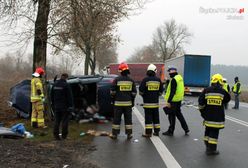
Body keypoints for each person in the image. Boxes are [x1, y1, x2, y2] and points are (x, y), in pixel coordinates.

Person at [198, 74, 230, 155]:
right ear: (219, 81)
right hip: (217, 117)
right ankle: (211, 150)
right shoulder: (222, 91)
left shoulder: (206, 90)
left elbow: (200, 102)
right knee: (214, 132)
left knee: (208, 130)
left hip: (207, 116)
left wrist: (203, 113)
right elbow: (227, 99)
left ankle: (207, 144)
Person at [110, 62, 137, 140]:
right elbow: (134, 93)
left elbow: (112, 92)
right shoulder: (131, 80)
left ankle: (115, 134)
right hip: (128, 104)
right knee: (128, 119)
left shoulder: (116, 80)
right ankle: (129, 134)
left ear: (120, 71)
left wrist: (113, 99)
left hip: (118, 104)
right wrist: (132, 102)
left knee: (116, 119)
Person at [163, 66, 189, 136]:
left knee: (171, 116)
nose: (169, 73)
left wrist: (168, 101)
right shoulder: (180, 78)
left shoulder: (174, 79)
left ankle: (170, 131)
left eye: (169, 72)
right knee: (179, 115)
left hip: (173, 100)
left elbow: (172, 91)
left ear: (172, 71)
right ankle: (186, 129)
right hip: (178, 99)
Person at [139, 64, 163, 137]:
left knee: (148, 118)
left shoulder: (145, 80)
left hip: (147, 103)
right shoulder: (158, 80)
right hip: (155, 103)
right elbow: (161, 91)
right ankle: (157, 131)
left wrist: (144, 96)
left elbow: (140, 91)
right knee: (156, 117)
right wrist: (156, 95)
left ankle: (148, 133)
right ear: (155, 71)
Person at [51, 73, 74, 140]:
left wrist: (53, 104)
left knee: (57, 121)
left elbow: (51, 95)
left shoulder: (54, 84)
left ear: (61, 77)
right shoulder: (66, 85)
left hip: (56, 106)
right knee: (64, 121)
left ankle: (56, 136)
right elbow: (70, 97)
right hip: (65, 107)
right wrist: (71, 106)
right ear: (66, 78)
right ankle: (64, 136)